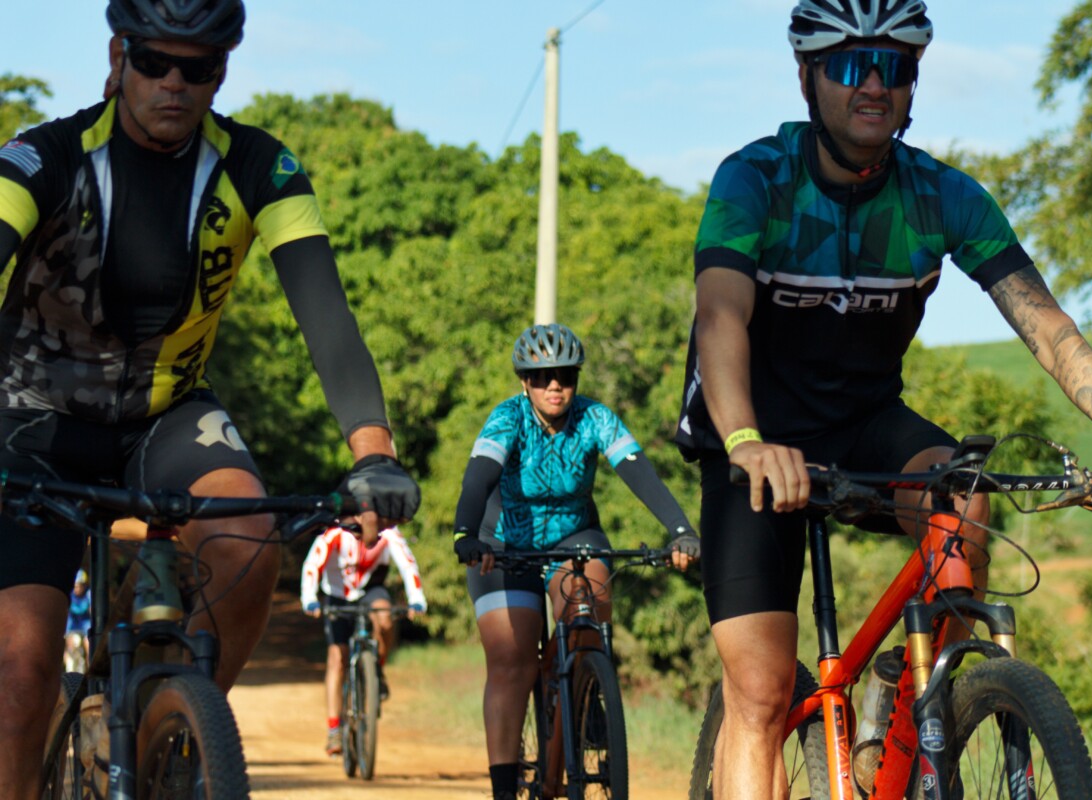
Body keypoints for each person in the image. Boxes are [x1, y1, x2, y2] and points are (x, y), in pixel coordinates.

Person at [673, 2, 1092, 797]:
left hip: (866, 422)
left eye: (897, 66)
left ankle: (905, 700)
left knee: (965, 499)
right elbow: (720, 316)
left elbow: (1046, 326)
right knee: (762, 695)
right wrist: (744, 440)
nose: (875, 84)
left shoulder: (942, 196)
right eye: (851, 64)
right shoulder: (757, 178)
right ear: (807, 78)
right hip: (753, 438)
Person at [0, 2, 420, 795]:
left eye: (199, 68)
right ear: (118, 55)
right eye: (154, 61)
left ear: (223, 71)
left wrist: (374, 452)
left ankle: (172, 737)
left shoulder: (258, 167)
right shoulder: (43, 158)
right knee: (21, 673)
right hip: (32, 420)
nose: (175, 83)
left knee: (248, 537)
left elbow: (327, 318)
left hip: (167, 412)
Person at [452, 323, 701, 800]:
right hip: (504, 543)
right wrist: (465, 532)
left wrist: (680, 530)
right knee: (512, 661)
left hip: (573, 535)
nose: (554, 385)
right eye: (542, 376)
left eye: (565, 375)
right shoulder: (508, 418)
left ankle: (587, 687)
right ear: (524, 381)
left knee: (591, 604)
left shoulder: (594, 418)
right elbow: (478, 477)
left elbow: (637, 471)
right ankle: (504, 789)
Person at [301, 518, 427, 756]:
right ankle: (334, 729)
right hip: (337, 595)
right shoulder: (334, 531)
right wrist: (309, 597)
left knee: (386, 619)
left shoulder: (387, 530)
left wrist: (416, 598)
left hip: (370, 589)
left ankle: (377, 669)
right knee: (337, 658)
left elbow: (407, 563)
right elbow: (312, 563)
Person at [63, 569, 92, 672]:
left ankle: (89, 670)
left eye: (80, 585)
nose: (77, 588)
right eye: (75, 586)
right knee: (72, 646)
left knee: (89, 645)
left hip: (85, 625)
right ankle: (70, 672)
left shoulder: (88, 594)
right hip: (72, 625)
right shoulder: (69, 595)